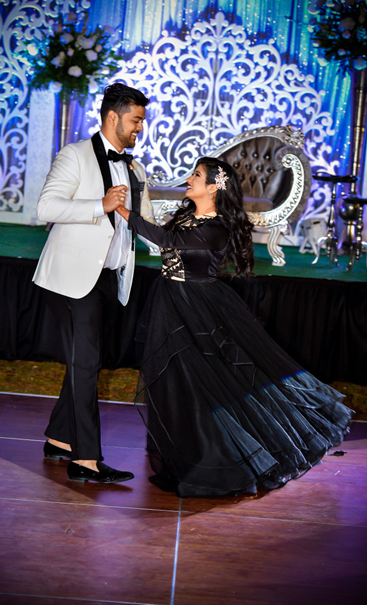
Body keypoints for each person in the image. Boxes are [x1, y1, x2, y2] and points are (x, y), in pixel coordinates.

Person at [113, 156, 353, 497]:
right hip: (171, 303)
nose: (189, 178)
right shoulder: (185, 216)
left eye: (196, 175)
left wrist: (124, 212)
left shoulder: (218, 227)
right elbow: (164, 239)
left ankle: (224, 460)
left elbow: (166, 242)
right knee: (173, 381)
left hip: (200, 309)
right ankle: (186, 458)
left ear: (213, 187)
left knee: (213, 382)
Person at [33, 83, 154, 484]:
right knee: (85, 363)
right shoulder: (74, 155)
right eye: (136, 119)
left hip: (108, 279)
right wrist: (98, 206)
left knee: (84, 362)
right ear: (112, 117)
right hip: (69, 278)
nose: (140, 127)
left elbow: (148, 222)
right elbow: (45, 207)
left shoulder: (135, 168)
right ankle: (85, 460)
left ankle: (59, 439)